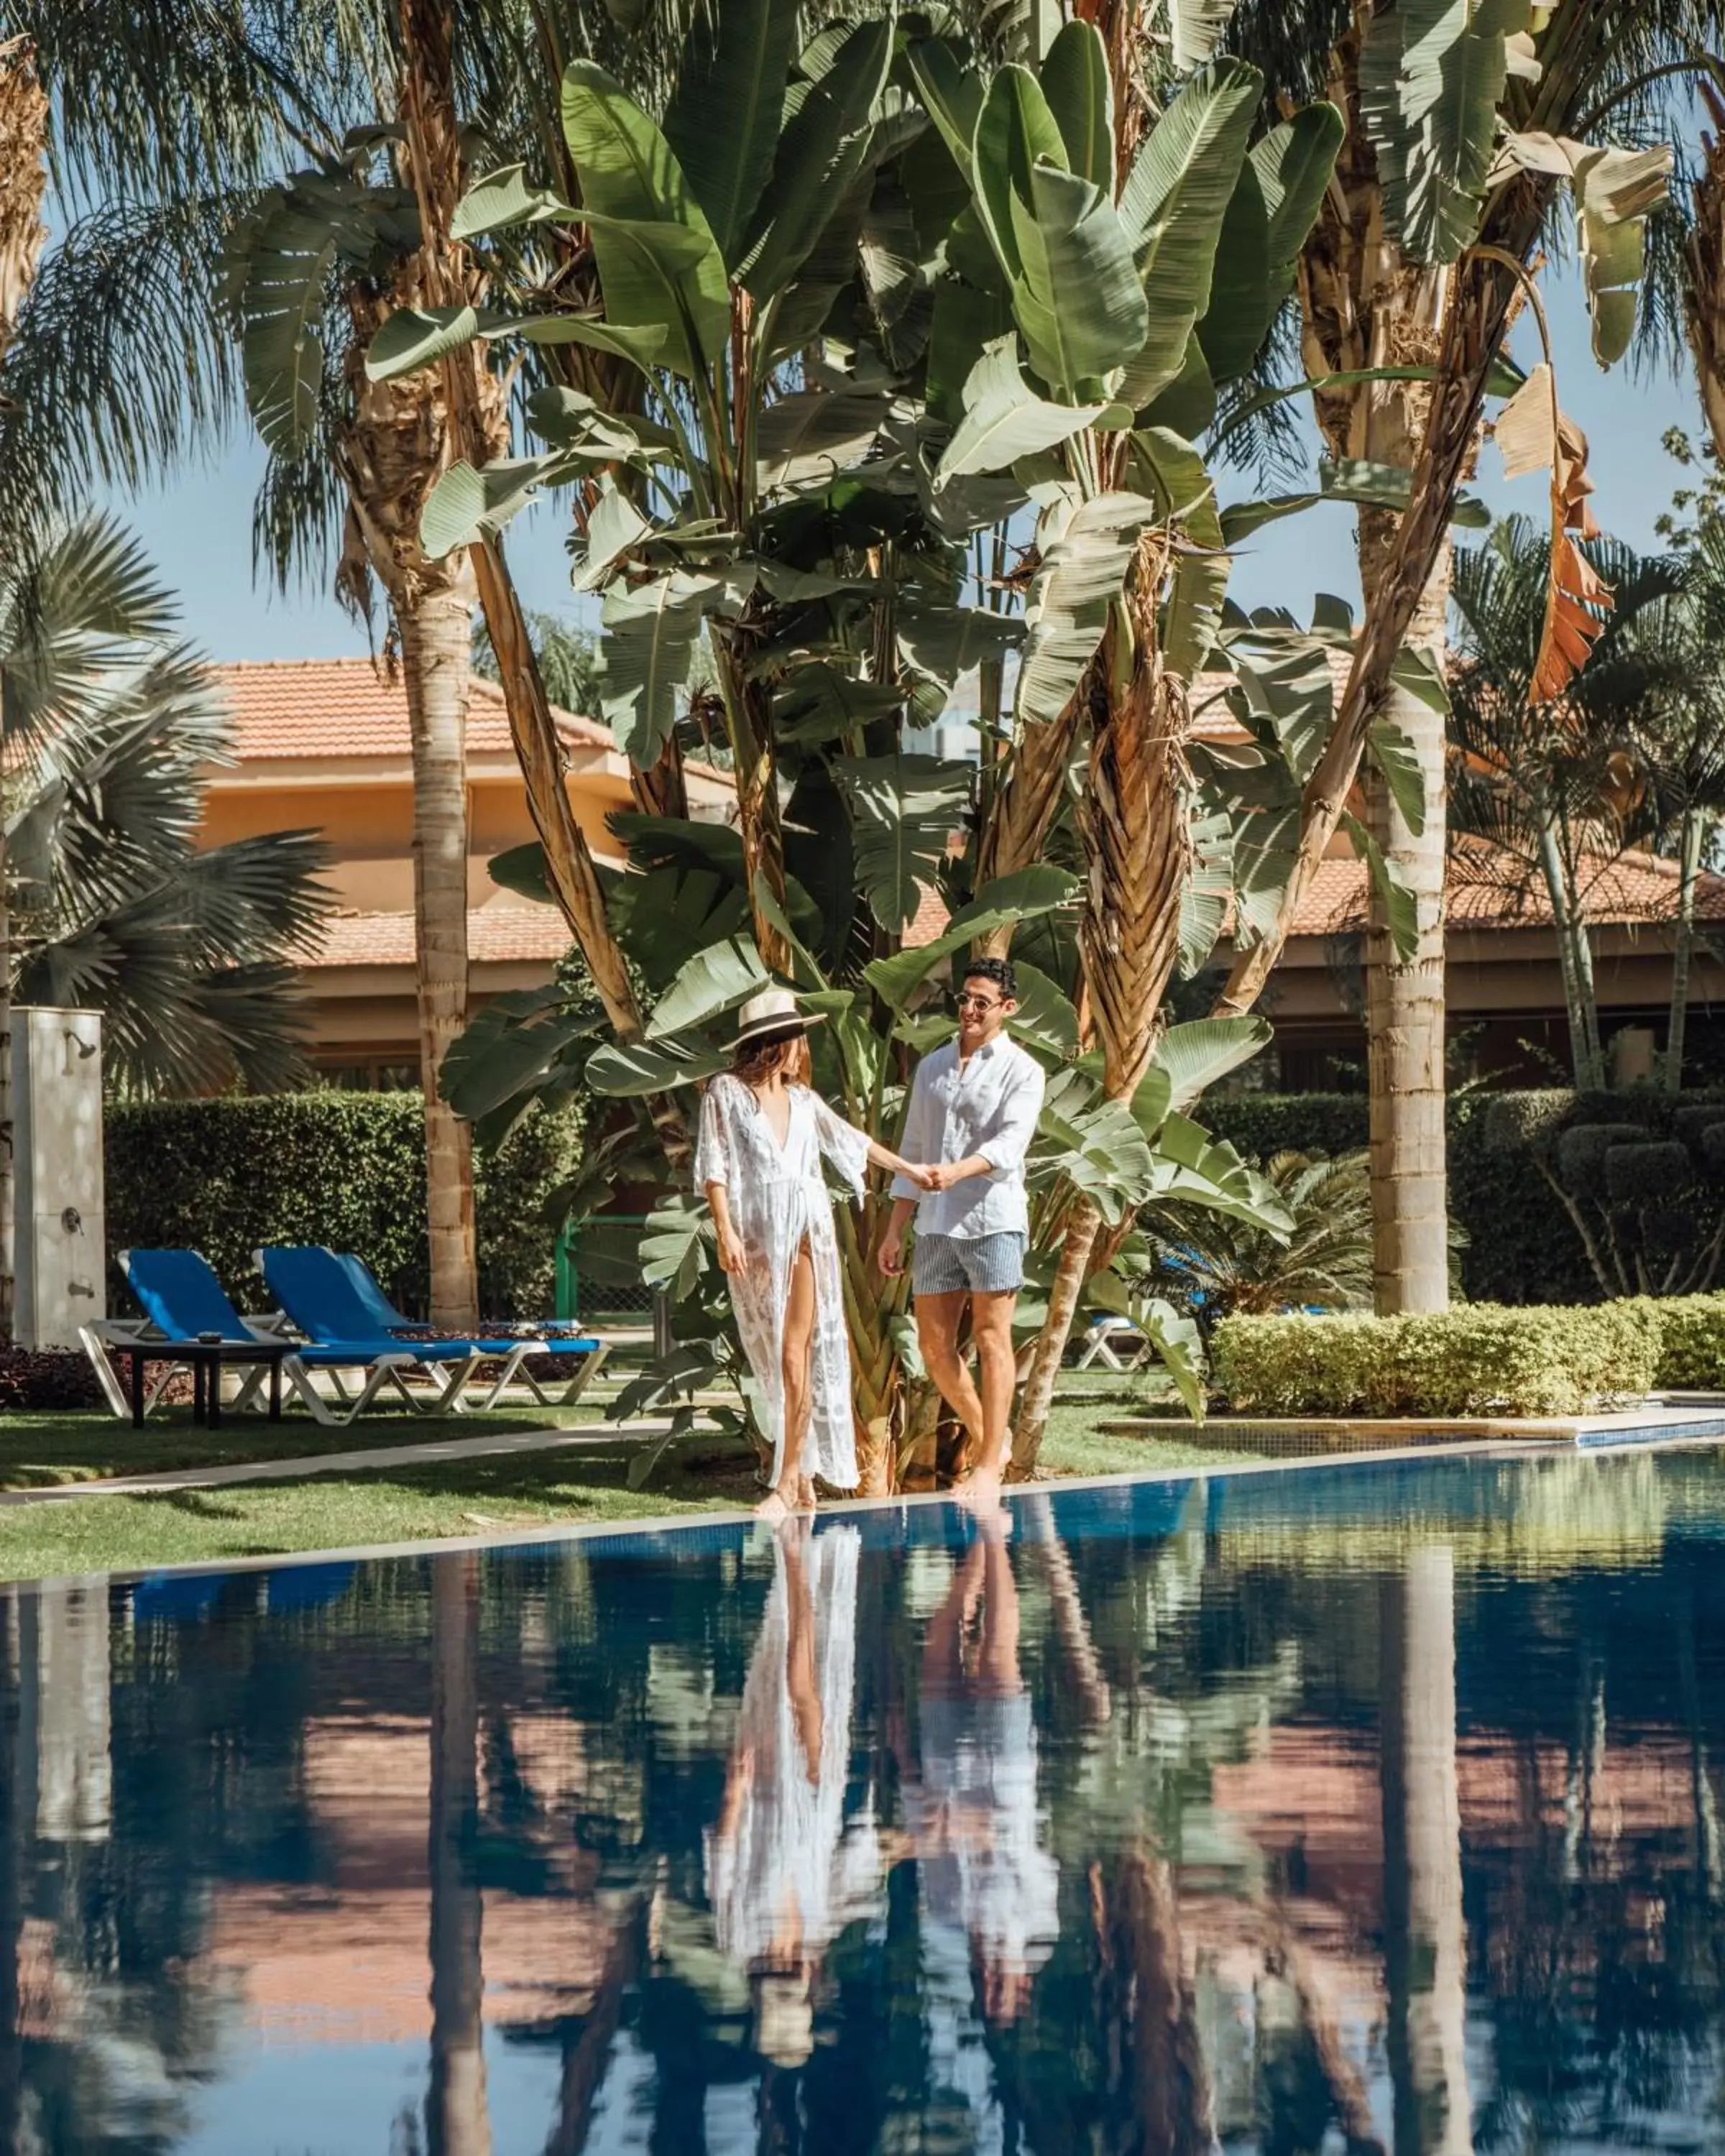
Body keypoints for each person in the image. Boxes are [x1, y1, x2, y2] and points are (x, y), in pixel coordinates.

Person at [697, 987, 933, 1520]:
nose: (805, 1046)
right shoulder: (726, 1093)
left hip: (806, 1229)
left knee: (795, 1355)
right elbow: (715, 1167)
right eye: (799, 1036)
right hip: (759, 1238)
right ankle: (799, 1478)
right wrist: (725, 1231)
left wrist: (911, 1172)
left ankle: (787, 1481)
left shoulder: (804, 1100)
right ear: (776, 1042)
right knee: (775, 1356)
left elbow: (854, 1141)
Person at [875, 956, 1045, 1506]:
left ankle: (990, 1465)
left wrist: (957, 1172)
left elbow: (1007, 1148)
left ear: (1007, 1009)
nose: (969, 1010)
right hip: (936, 1225)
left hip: (993, 1220)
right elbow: (914, 1151)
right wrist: (895, 1228)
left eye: (982, 1002)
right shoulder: (934, 1066)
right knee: (933, 1347)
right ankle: (989, 1437)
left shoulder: (1023, 1069)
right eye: (964, 999)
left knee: (994, 1340)